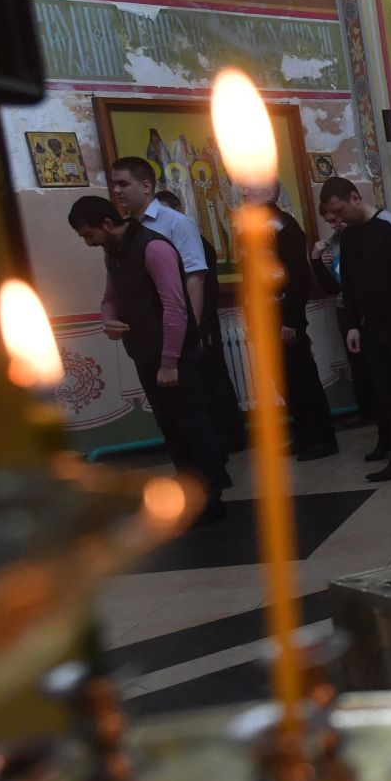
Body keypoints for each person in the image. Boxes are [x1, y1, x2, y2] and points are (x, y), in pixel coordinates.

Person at [68, 195, 227, 522]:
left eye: (89, 235)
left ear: (108, 224)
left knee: (193, 425)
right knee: (170, 426)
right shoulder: (112, 252)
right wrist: (108, 319)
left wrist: (170, 362)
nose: (88, 243)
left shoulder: (154, 248)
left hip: (176, 355)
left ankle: (211, 495)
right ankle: (189, 493)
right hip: (144, 353)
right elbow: (110, 298)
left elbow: (175, 307)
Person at [111, 157, 247, 453]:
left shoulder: (175, 223)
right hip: (150, 334)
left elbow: (195, 278)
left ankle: (212, 477)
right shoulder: (129, 228)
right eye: (114, 185)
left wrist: (192, 331)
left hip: (180, 330)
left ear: (146, 186)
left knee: (193, 411)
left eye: (124, 184)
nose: (117, 191)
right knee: (169, 415)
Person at [316, 177, 391, 486]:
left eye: (340, 210)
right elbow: (352, 285)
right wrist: (354, 324)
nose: (338, 219)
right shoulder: (352, 236)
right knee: (389, 396)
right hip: (372, 328)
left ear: (355, 198)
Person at [208, 182, 339, 461]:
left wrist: (291, 321)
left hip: (284, 316)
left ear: (268, 193)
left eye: (250, 188)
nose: (244, 193)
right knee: (282, 381)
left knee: (301, 378)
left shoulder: (284, 226)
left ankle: (321, 439)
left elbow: (299, 278)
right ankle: (303, 437)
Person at [149, 187, 247, 457]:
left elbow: (204, 284)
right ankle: (222, 437)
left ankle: (229, 436)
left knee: (213, 379)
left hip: (200, 320)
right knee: (206, 382)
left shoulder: (196, 242)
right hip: (192, 320)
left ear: (177, 211)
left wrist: (200, 324)